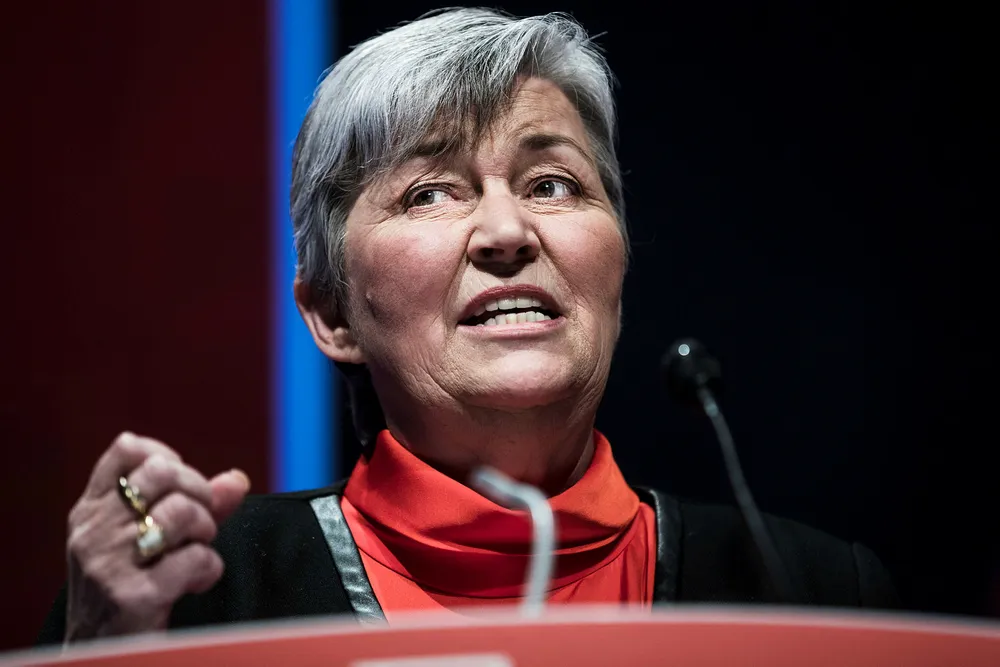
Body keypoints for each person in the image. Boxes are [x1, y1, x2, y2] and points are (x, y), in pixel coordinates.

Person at [40, 7, 897, 644]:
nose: (507, 232)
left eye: (552, 184)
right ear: (333, 313)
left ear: (620, 265)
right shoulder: (198, 595)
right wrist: (101, 649)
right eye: (429, 193)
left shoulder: (814, 593)